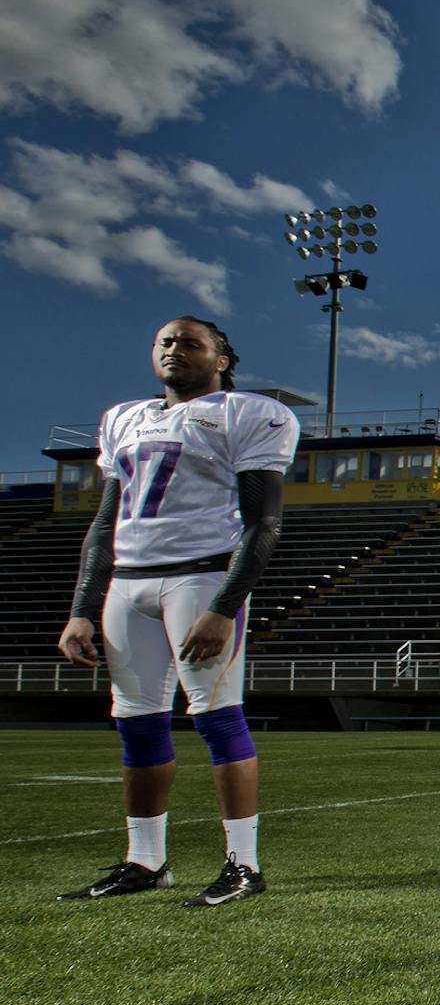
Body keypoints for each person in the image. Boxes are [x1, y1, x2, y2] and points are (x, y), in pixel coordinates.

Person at [56, 317, 298, 906]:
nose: (174, 350)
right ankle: (146, 860)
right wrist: (82, 609)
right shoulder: (123, 418)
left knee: (217, 716)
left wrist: (224, 606)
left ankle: (244, 864)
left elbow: (264, 522)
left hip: (200, 575)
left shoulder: (246, 412)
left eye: (191, 343)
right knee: (136, 723)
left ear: (220, 359)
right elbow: (104, 523)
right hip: (128, 583)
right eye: (165, 341)